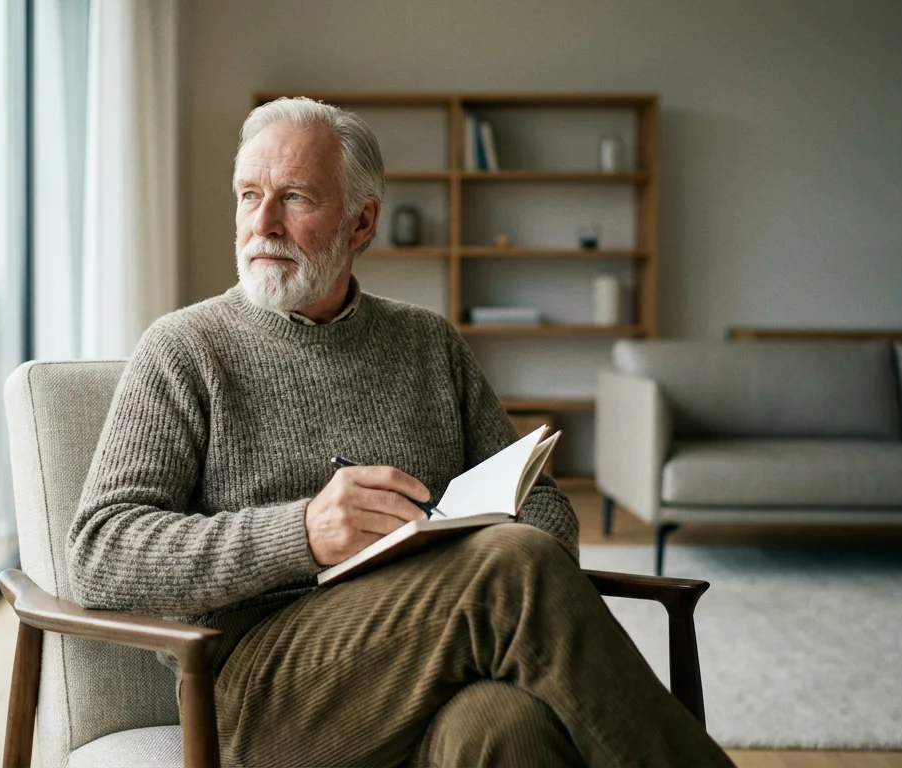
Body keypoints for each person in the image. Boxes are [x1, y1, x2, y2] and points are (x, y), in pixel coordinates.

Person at [70, 97, 731, 767]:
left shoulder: (427, 344)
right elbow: (99, 552)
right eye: (248, 196)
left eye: (295, 197)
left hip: (434, 659)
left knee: (507, 727)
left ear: (362, 221)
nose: (262, 224)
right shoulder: (185, 349)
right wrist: (302, 533)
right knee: (511, 567)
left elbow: (546, 508)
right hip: (261, 695)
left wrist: (450, 554)